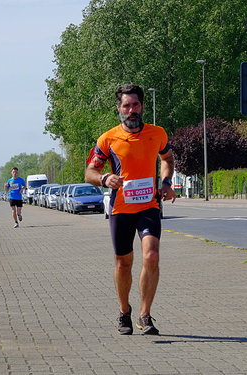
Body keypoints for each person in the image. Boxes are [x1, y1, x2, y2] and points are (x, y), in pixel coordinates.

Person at [85, 84, 176, 335]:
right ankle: (124, 312)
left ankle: (145, 316)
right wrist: (104, 179)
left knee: (152, 256)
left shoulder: (157, 133)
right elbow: (90, 172)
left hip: (148, 205)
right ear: (119, 109)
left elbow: (167, 158)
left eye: (135, 105)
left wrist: (166, 183)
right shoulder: (108, 138)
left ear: (142, 106)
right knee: (123, 263)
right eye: (126, 106)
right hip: (121, 209)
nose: (131, 110)